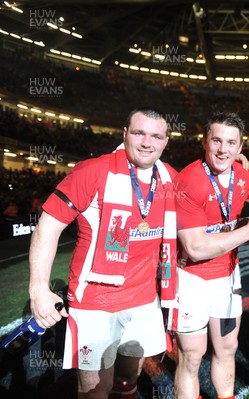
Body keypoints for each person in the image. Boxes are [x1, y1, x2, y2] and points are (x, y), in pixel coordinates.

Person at [29, 108, 178, 399]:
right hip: (95, 302)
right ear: (125, 134)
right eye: (139, 133)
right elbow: (47, 227)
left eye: (156, 136)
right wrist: (38, 290)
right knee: (96, 388)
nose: (147, 142)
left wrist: (238, 164)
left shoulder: (170, 178)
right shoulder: (93, 171)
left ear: (165, 141)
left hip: (144, 300)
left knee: (128, 380)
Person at [170, 112, 249, 399]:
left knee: (226, 350)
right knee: (192, 355)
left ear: (240, 148)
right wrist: (248, 232)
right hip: (191, 278)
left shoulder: (244, 177)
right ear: (205, 142)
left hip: (227, 279)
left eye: (231, 143)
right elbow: (195, 248)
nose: (223, 149)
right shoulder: (189, 181)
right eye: (217, 141)